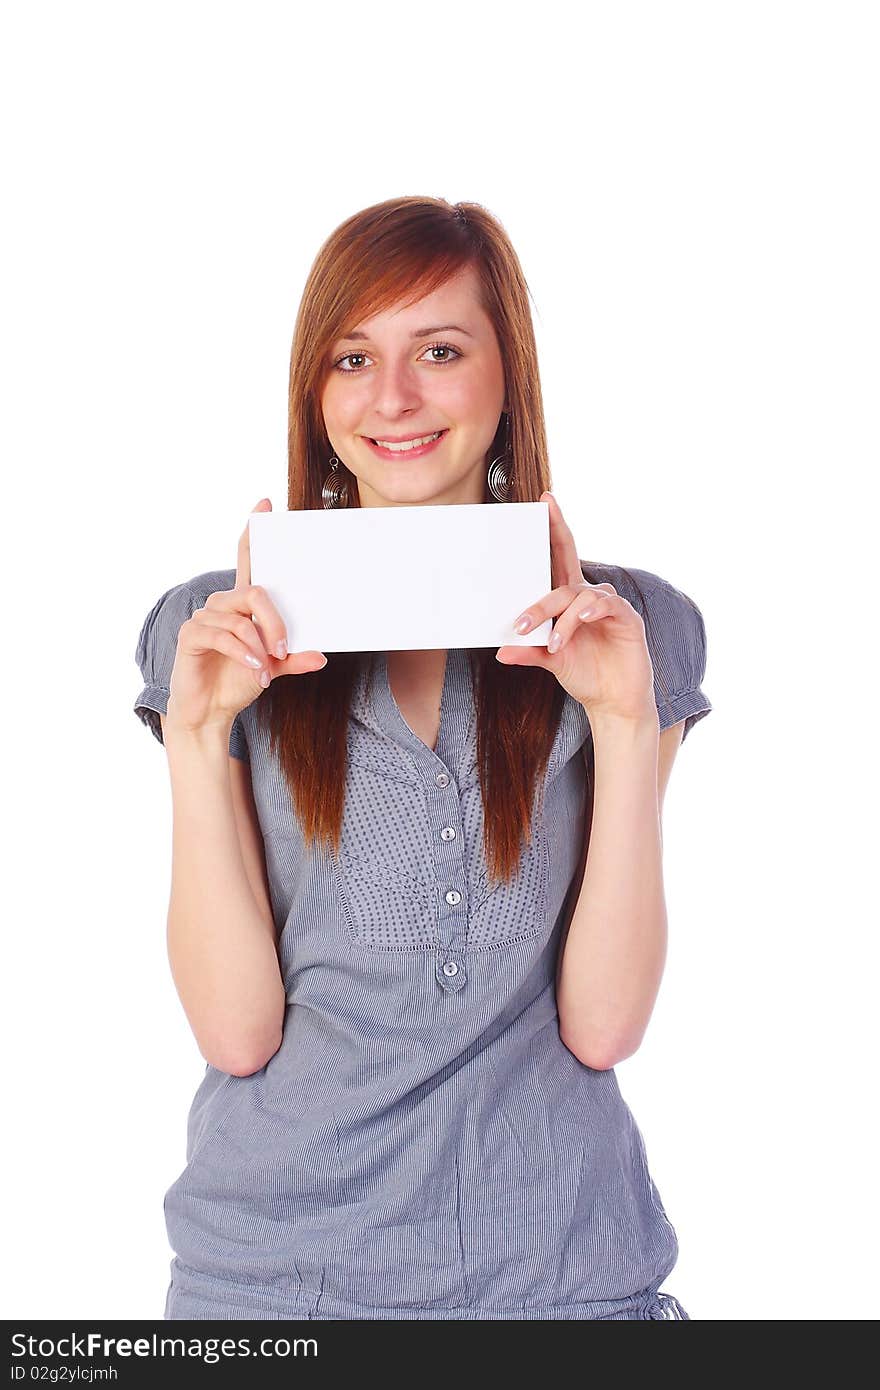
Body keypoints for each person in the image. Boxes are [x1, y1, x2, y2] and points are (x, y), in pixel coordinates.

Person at [133, 196, 712, 1321]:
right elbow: (236, 1034)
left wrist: (628, 728)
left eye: (438, 351)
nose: (391, 399)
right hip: (274, 1281)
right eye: (353, 358)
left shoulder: (631, 628)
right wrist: (200, 738)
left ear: (508, 378)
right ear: (317, 392)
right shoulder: (211, 630)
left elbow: (603, 1025)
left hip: (561, 1272)